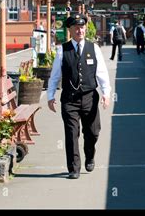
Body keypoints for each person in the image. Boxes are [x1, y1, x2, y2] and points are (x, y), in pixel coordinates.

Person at [47, 13, 111, 179]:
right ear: (70, 30)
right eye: (76, 28)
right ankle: (74, 168)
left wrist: (106, 93)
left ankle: (90, 155)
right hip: (69, 99)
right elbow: (54, 75)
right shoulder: (62, 50)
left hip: (90, 97)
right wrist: (50, 95)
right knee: (71, 133)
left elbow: (102, 72)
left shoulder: (93, 48)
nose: (79, 30)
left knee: (93, 131)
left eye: (82, 27)